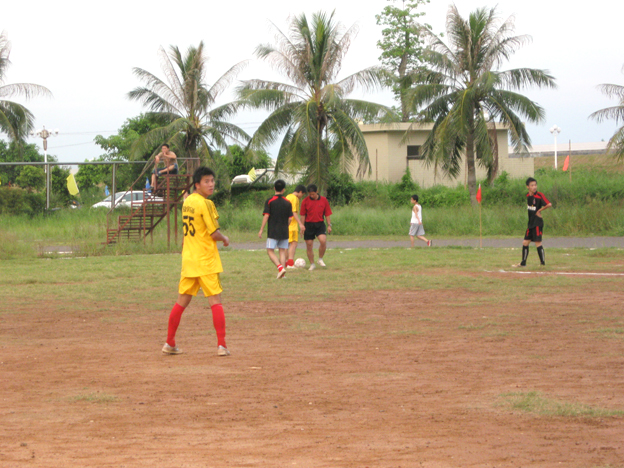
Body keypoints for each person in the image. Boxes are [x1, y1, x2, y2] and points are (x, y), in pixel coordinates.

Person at [162, 166, 230, 356]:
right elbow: (214, 233)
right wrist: (225, 238)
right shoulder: (206, 203)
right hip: (205, 259)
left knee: (181, 302)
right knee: (215, 301)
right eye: (206, 181)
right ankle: (222, 345)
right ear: (197, 184)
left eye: (212, 180)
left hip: (189, 260)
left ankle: (169, 342)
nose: (211, 184)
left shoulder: (188, 202)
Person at [258, 179, 293, 279]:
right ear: (283, 189)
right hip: (284, 230)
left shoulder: (270, 201)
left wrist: (261, 229)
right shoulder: (288, 202)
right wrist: (286, 226)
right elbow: (290, 218)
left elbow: (266, 216)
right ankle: (283, 275)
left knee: (270, 250)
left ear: (274, 188)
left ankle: (280, 268)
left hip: (273, 230)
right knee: (282, 251)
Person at [514, 177, 552, 267]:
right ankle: (523, 263)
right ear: (528, 187)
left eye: (535, 185)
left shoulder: (539, 195)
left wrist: (539, 210)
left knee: (538, 243)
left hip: (537, 223)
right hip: (530, 223)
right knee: (525, 243)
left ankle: (542, 264)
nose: (534, 187)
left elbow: (549, 204)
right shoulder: (528, 196)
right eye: (532, 185)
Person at [299, 184, 332, 271]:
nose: (311, 196)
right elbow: (303, 215)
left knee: (323, 241)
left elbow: (327, 214)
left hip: (320, 224)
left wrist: (329, 225)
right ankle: (312, 264)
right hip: (308, 225)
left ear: (317, 192)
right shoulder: (305, 201)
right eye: (310, 194)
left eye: (313, 194)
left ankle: (320, 259)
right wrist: (302, 226)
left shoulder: (324, 200)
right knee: (309, 245)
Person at [285, 184, 307, 269]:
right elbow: (294, 212)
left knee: (285, 244)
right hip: (292, 225)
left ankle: (285, 262)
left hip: (285, 225)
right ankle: (290, 263)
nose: (301, 197)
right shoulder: (295, 199)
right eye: (302, 194)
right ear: (300, 192)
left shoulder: (288, 196)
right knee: (294, 243)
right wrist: (300, 224)